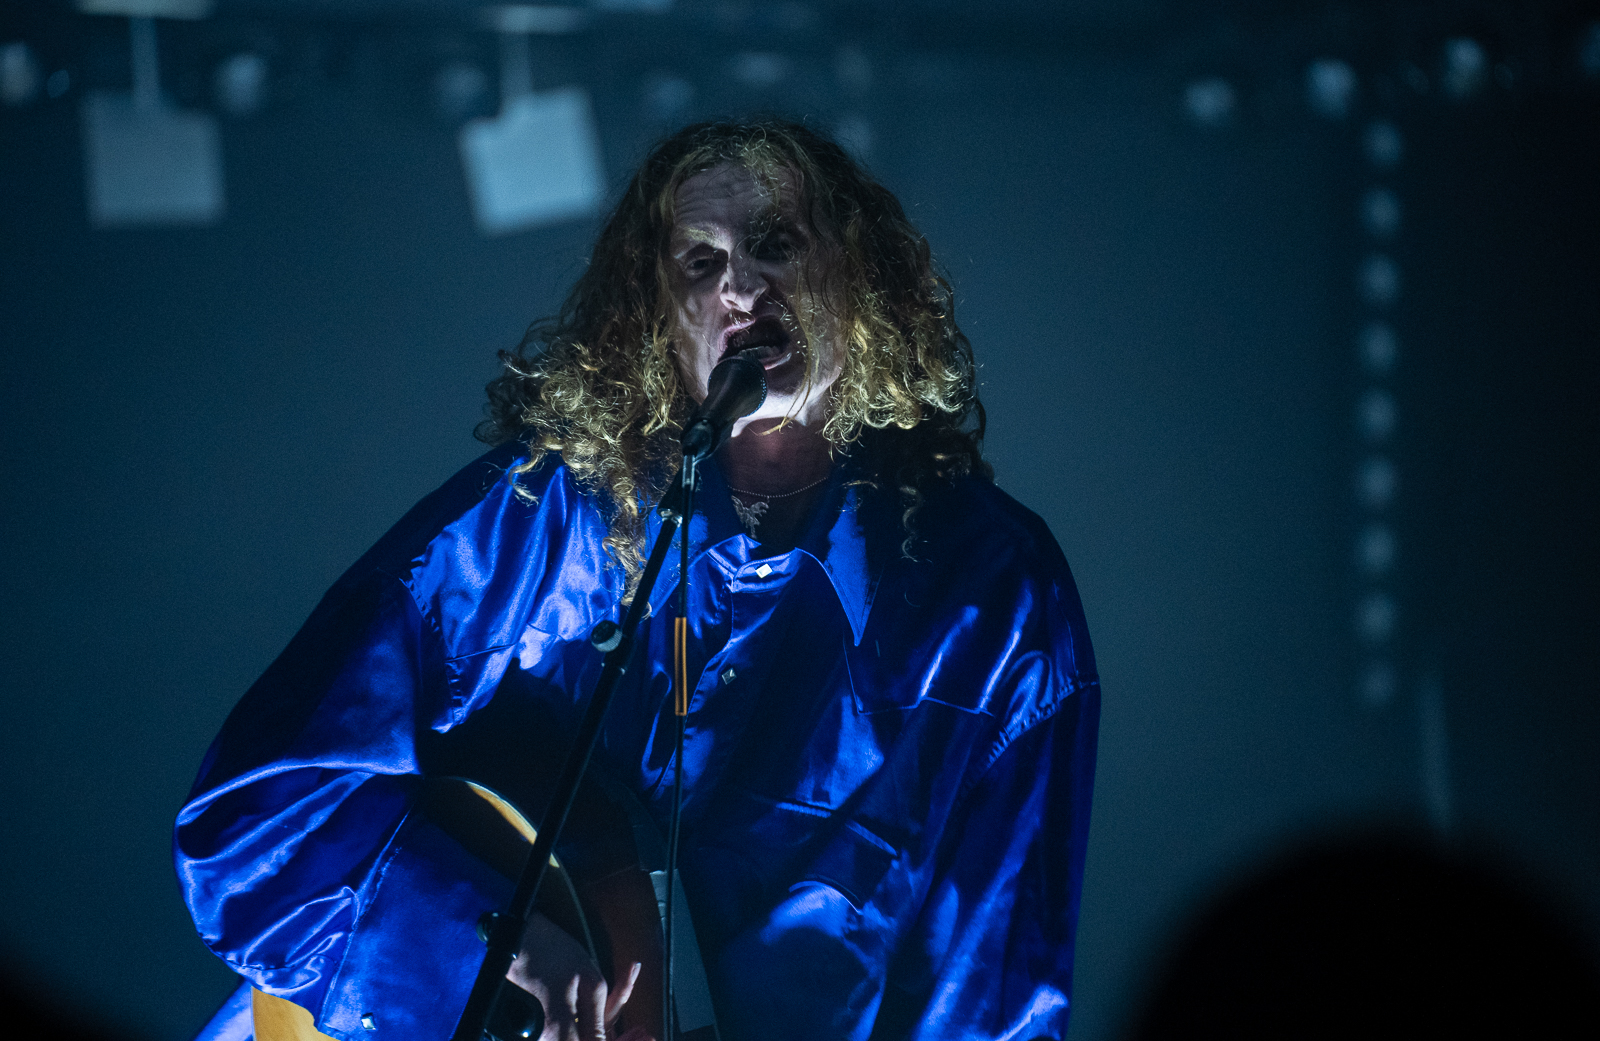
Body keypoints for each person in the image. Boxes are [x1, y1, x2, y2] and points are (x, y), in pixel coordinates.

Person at [175, 119, 1100, 1041]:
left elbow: (991, 997)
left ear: (860, 277)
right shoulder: (534, 522)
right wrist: (485, 939)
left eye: (777, 243)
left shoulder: (995, 594)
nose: (741, 287)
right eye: (700, 262)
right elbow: (253, 821)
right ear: (656, 316)